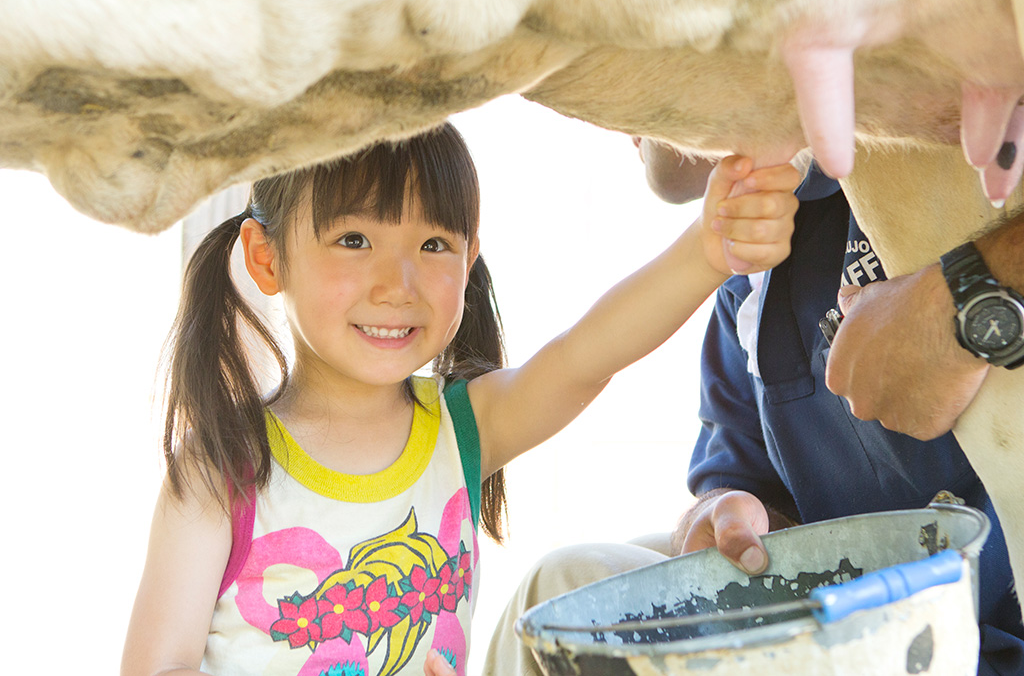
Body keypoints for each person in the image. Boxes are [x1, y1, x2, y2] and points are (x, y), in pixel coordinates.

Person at [120, 124, 801, 676]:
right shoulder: (220, 467)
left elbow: (585, 355)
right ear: (266, 257)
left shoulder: (459, 428)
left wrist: (709, 249)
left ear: (470, 258)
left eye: (433, 243)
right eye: (354, 239)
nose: (398, 281)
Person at [479, 139, 1024, 676]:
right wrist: (721, 512)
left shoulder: (928, 158)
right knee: (564, 583)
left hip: (969, 635)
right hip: (831, 607)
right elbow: (739, 481)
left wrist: (963, 296)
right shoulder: (750, 274)